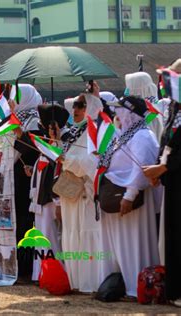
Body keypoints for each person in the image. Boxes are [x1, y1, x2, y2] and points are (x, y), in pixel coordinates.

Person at [98, 96, 160, 298]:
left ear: (131, 113)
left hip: (132, 199)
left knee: (135, 243)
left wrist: (130, 194)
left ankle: (138, 286)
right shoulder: (124, 135)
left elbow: (142, 168)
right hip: (117, 195)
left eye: (121, 110)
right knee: (121, 245)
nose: (117, 114)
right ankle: (124, 284)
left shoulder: (142, 136)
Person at [142, 58, 181, 307]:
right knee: (174, 236)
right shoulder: (175, 109)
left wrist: (164, 167)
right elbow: (167, 141)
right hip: (173, 182)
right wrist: (159, 171)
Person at [57, 92, 102, 293]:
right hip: (70, 193)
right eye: (74, 105)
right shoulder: (72, 132)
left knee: (86, 236)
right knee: (71, 235)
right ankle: (74, 281)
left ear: (91, 108)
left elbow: (91, 163)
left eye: (81, 105)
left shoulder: (96, 133)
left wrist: (65, 159)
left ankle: (89, 283)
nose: (75, 110)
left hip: (86, 194)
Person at [28, 104, 69, 281]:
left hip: (51, 199)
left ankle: (55, 273)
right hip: (40, 199)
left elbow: (60, 166)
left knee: (51, 237)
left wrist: (57, 139)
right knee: (41, 237)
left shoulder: (64, 140)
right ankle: (41, 273)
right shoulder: (49, 142)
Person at [9, 84, 42, 280]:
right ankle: (17, 265)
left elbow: (35, 147)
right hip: (16, 178)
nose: (14, 101)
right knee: (17, 222)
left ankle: (27, 267)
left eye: (17, 97)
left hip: (29, 178)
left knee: (26, 223)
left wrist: (20, 133)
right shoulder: (18, 119)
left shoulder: (35, 120)